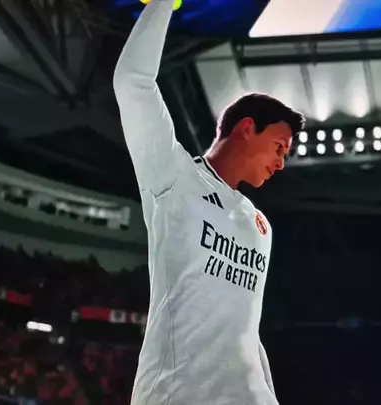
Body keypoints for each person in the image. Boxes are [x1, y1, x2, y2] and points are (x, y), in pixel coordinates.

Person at [113, 1, 304, 403]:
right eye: (279, 147)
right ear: (247, 129)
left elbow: (245, 331)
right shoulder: (173, 175)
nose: (281, 163)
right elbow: (133, 81)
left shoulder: (260, 227)